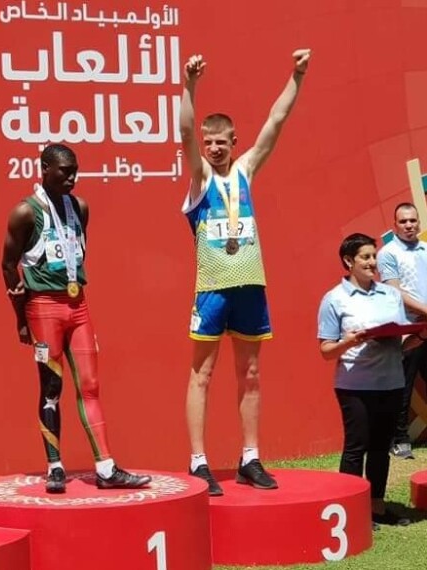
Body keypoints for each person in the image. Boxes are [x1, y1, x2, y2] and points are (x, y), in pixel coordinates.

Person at [179, 49, 311, 495]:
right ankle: (198, 461)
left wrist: (296, 75)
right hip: (212, 289)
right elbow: (183, 133)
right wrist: (189, 86)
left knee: (251, 374)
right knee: (202, 374)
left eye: (222, 141)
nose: (214, 147)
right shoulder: (199, 179)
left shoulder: (246, 172)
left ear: (234, 143)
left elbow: (276, 122)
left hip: (250, 285)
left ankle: (250, 458)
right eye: (208, 141)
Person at [1, 143, 152, 494]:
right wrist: (20, 317)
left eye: (75, 171)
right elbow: (8, 265)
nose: (72, 177)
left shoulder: (79, 208)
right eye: (64, 171)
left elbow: (73, 252)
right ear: (45, 169)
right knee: (51, 388)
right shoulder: (25, 212)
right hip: (43, 308)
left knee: (91, 385)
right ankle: (55, 466)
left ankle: (106, 467)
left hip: (77, 305)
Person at [317, 233, 410, 528]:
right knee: (356, 447)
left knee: (382, 447)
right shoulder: (334, 299)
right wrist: (351, 341)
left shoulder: (391, 295)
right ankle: (349, 511)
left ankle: (378, 508)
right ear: (348, 261)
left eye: (374, 257)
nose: (373, 263)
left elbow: (402, 338)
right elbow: (326, 351)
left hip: (392, 381)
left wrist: (413, 336)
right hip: (355, 385)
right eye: (366, 258)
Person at [376, 202, 427, 459]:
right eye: (403, 221)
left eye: (413, 221)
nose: (409, 225)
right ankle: (400, 439)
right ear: (395, 225)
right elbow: (394, 291)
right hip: (408, 328)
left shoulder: (426, 249)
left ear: (419, 222)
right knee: (404, 384)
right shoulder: (388, 253)